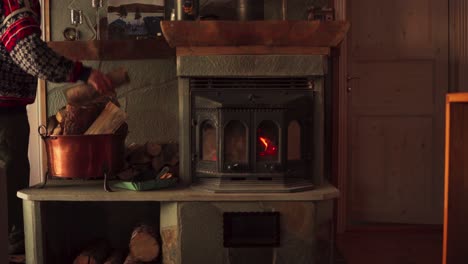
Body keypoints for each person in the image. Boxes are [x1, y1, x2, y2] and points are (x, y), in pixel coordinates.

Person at [0, 0, 114, 254]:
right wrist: (84, 74)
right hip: (3, 115)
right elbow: (28, 51)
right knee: (10, 201)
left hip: (7, 109)